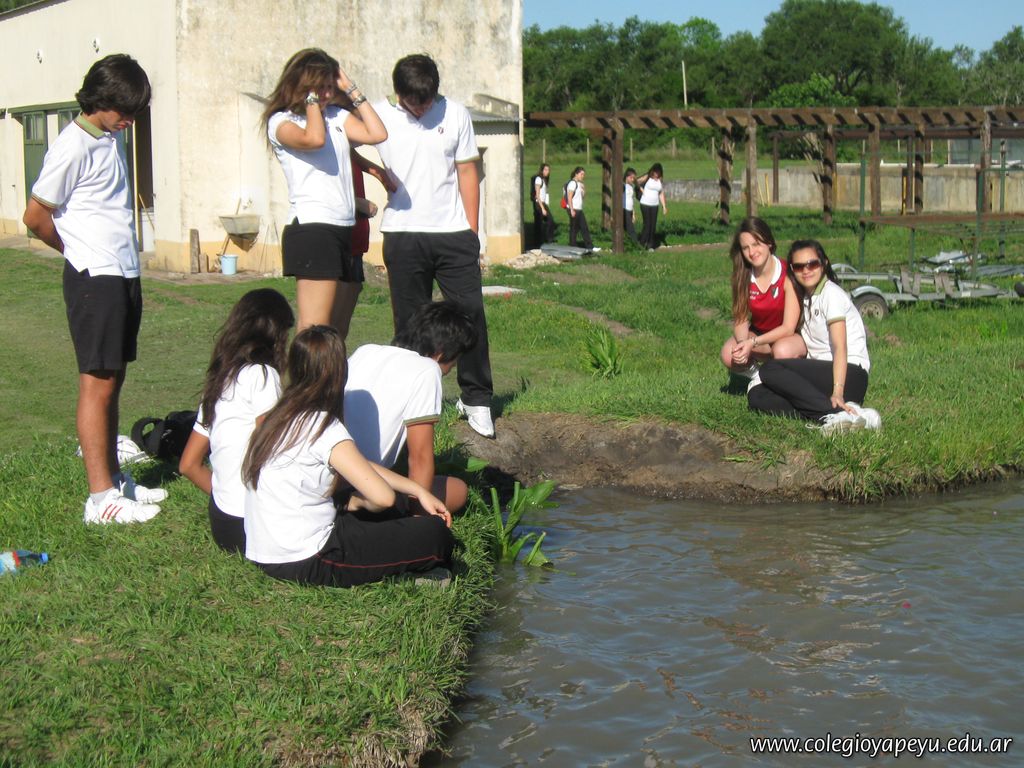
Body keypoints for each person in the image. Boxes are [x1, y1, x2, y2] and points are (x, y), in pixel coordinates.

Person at [23, 54, 164, 524]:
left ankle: (116, 481)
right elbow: (35, 217)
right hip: (93, 276)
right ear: (101, 100)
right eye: (125, 111)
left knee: (114, 378)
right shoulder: (72, 145)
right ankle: (99, 498)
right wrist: (76, 252)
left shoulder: (107, 138)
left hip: (122, 272)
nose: (130, 120)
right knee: (96, 383)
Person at [242, 325, 455, 588]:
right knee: (436, 534)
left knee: (388, 509)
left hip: (265, 549)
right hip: (308, 558)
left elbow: (360, 465)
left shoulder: (277, 416)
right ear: (340, 373)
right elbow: (383, 498)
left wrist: (416, 489)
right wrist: (355, 502)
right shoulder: (323, 425)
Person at [373, 54, 495, 438]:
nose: (421, 108)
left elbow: (467, 170)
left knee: (470, 313)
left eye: (426, 101)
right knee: (410, 323)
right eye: (413, 102)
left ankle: (476, 399)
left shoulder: (455, 114)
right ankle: (410, 402)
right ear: (399, 93)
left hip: (453, 233)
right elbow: (339, 140)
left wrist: (472, 232)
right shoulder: (379, 115)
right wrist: (373, 169)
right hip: (402, 233)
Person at [262, 48, 387, 335]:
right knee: (314, 328)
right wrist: (312, 99)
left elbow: (377, 134)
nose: (329, 94)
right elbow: (315, 139)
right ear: (305, 85)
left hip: (341, 227)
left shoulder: (336, 116)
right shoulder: (282, 122)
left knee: (332, 332)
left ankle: (326, 368)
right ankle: (303, 369)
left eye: (332, 87)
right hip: (313, 227)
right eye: (323, 87)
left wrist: (350, 88)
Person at [179, 289, 294, 553]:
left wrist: (227, 498)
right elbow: (271, 453)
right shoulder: (262, 375)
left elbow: (188, 465)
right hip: (253, 525)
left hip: (222, 524)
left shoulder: (220, 380)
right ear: (275, 334)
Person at [344, 301, 477, 514]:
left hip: (325, 473)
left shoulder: (365, 351)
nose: (451, 370)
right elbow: (420, 458)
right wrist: (418, 518)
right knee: (457, 490)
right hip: (359, 486)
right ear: (441, 354)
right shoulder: (428, 370)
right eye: (454, 362)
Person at [748, 240, 881, 435]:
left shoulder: (831, 294)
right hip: (822, 375)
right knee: (756, 396)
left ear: (824, 263)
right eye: (799, 266)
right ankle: (842, 414)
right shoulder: (804, 298)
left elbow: (840, 347)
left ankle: (836, 413)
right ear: (792, 270)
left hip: (849, 374)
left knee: (770, 369)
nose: (806, 270)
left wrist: (838, 391)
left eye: (812, 264)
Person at [719, 217, 805, 388]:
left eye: (756, 244)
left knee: (782, 351)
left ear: (769, 243)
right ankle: (759, 377)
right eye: (746, 247)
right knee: (729, 353)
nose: (752, 252)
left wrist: (752, 343)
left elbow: (788, 327)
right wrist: (743, 345)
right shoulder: (742, 275)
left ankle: (792, 376)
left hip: (789, 336)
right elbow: (741, 318)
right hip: (760, 337)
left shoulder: (787, 273)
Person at [565, 166, 598, 251]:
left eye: (583, 174)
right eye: (581, 174)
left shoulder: (579, 184)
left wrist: (584, 190)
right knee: (574, 228)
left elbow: (581, 197)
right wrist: (571, 210)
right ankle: (573, 246)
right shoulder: (572, 183)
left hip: (579, 209)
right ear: (576, 174)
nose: (583, 176)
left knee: (583, 227)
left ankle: (589, 246)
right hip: (574, 209)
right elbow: (569, 197)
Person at [636, 163, 667, 250]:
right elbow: (636, 181)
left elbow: (661, 193)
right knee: (647, 225)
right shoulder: (647, 177)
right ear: (652, 171)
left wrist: (664, 206)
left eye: (658, 172)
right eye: (655, 172)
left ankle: (650, 245)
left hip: (655, 205)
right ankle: (641, 244)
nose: (656, 174)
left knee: (653, 226)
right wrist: (640, 188)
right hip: (645, 204)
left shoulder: (660, 180)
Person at [531, 163, 555, 247]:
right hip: (539, 203)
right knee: (540, 224)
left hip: (543, 203)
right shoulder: (538, 179)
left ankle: (548, 240)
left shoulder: (544, 180)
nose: (547, 172)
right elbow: (537, 195)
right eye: (545, 170)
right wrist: (542, 208)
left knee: (550, 221)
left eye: (548, 170)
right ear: (541, 170)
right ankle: (539, 243)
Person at [623, 168, 641, 246]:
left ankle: (626, 243)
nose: (632, 180)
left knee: (626, 228)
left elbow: (631, 200)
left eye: (634, 178)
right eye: (631, 178)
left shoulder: (631, 187)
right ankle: (635, 244)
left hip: (630, 210)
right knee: (630, 229)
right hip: (624, 210)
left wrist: (633, 213)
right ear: (626, 177)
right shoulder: (623, 186)